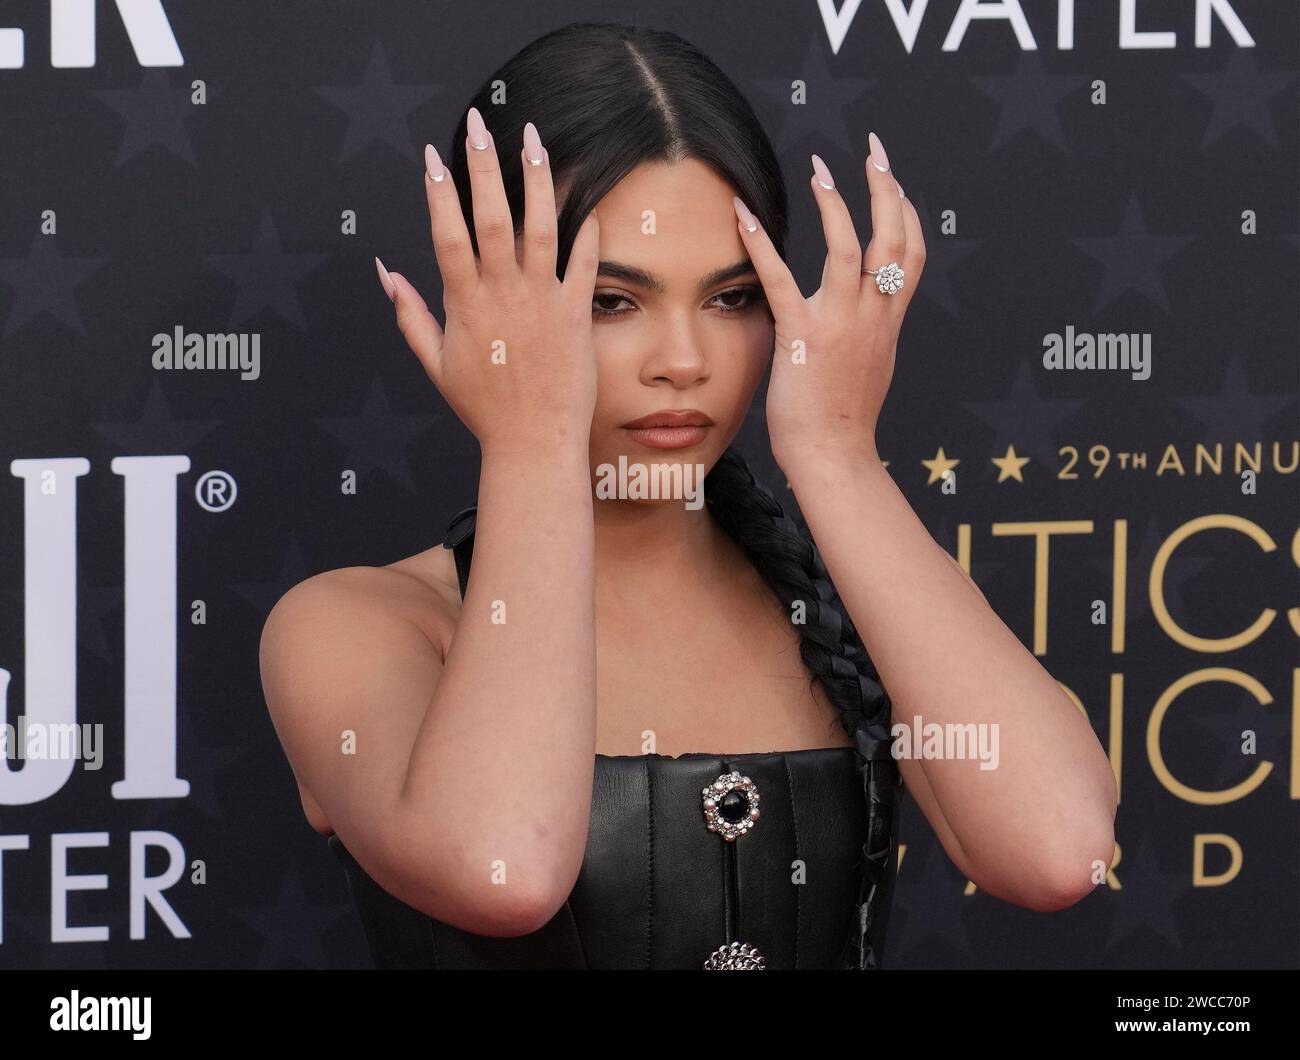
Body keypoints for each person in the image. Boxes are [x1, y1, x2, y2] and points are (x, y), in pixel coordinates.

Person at [258, 21, 1117, 970]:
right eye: (610, 302)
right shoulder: (354, 627)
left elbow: (1057, 852)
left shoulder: (840, 615)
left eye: (733, 297)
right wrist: (530, 439)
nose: (684, 362)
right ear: (484, 295)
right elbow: (502, 870)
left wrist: (836, 454)